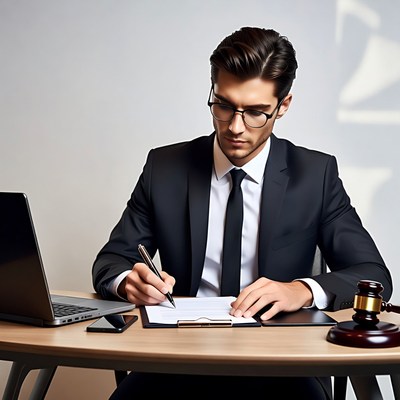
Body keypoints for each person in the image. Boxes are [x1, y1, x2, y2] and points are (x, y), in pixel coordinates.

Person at [92, 26, 392, 399]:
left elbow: (373, 275)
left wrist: (301, 290)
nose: (235, 127)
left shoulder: (315, 175)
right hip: (177, 360)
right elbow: (110, 262)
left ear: (283, 106)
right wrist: (127, 281)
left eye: (256, 113)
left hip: (283, 367)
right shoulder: (165, 167)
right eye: (223, 105)